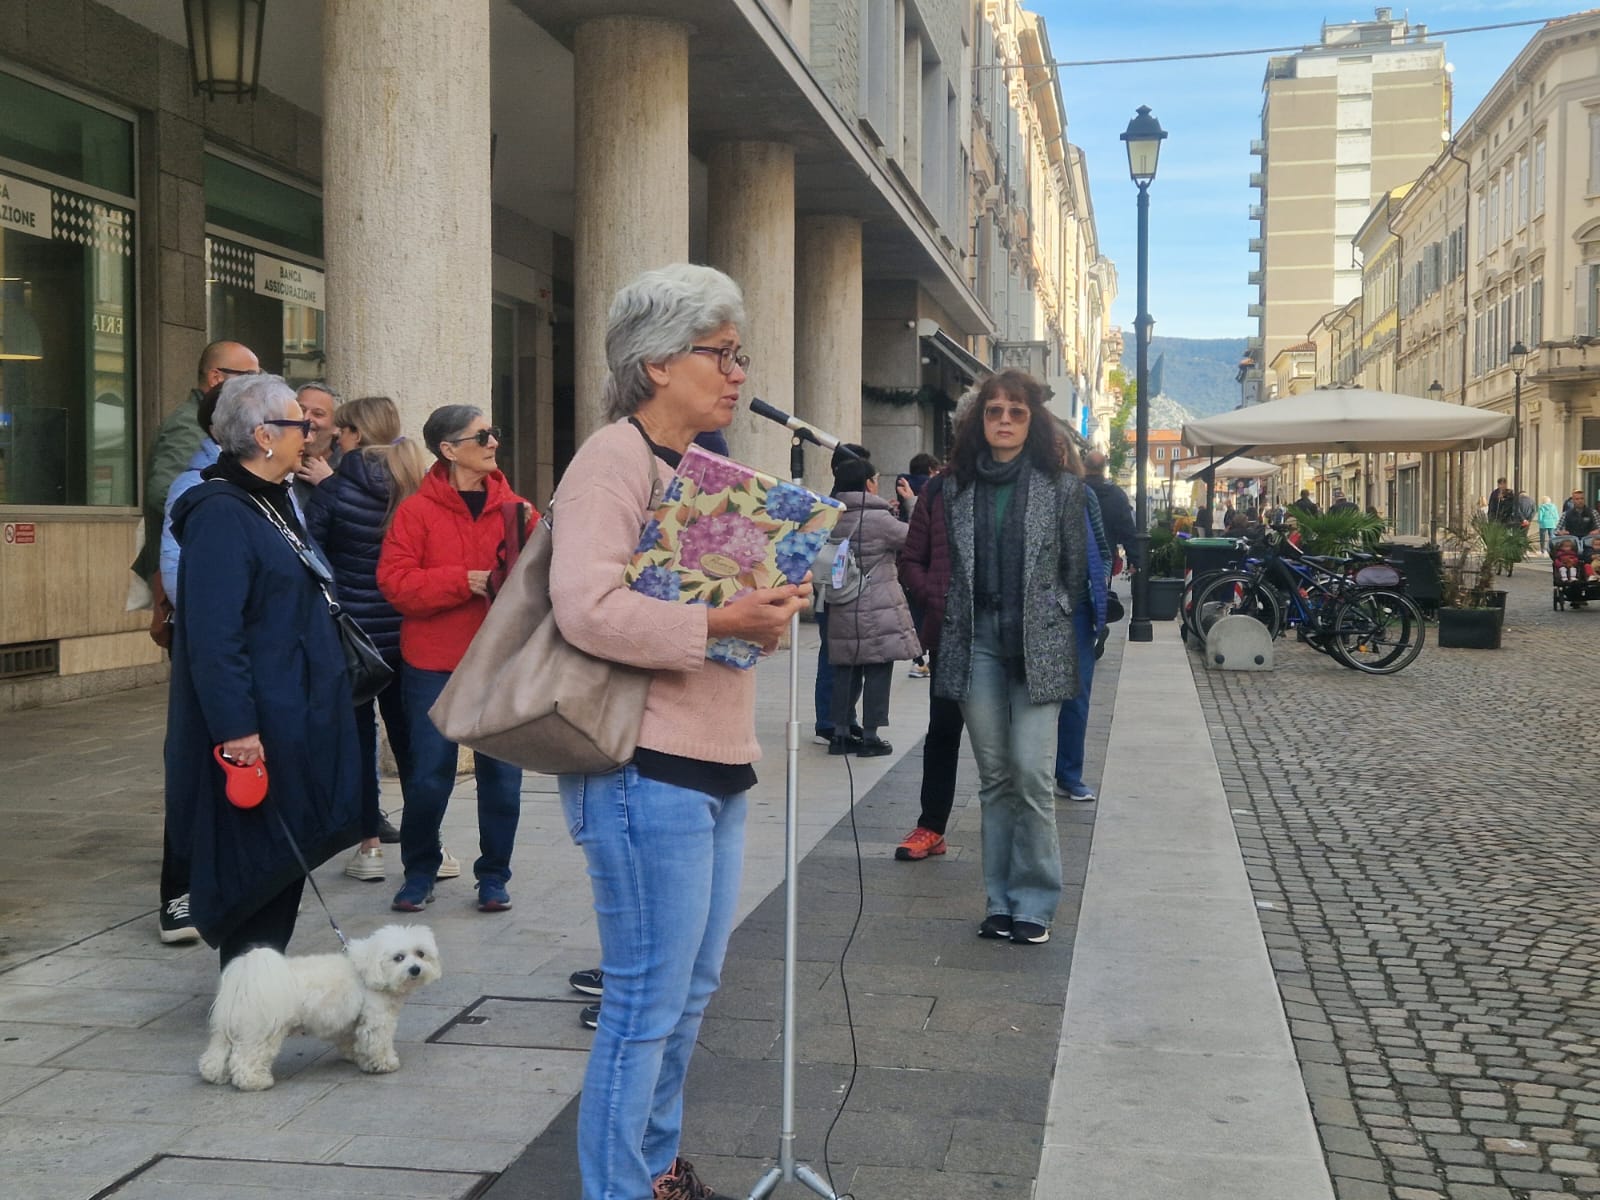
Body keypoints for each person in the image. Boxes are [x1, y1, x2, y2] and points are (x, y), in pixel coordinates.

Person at [548, 264, 809, 1200]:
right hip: (639, 764)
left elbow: (715, 624)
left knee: (686, 1000)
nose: (738, 373)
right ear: (658, 362)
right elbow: (583, 608)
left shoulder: (699, 473)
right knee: (643, 1008)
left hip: (714, 757)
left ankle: (654, 1173)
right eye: (722, 353)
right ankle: (620, 1190)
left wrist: (762, 614)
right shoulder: (612, 459)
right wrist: (721, 624)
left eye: (740, 355)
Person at [162, 375, 361, 965]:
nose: (314, 432)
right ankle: (247, 1005)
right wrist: (237, 732)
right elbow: (214, 639)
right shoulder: (221, 513)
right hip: (258, 725)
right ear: (263, 436)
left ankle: (255, 994)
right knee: (258, 865)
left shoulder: (273, 497)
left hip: (294, 709)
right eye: (302, 424)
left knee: (285, 856)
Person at [934, 369, 1088, 947]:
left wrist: (1049, 615)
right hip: (975, 642)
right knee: (995, 777)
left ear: (1032, 420)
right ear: (979, 420)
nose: (1003, 420)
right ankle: (999, 900)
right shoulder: (956, 488)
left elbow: (1074, 571)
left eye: (1015, 412)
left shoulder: (1064, 489)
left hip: (1036, 643)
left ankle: (1037, 901)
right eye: (994, 411)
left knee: (1031, 773)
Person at [377, 405, 531, 914]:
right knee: (427, 777)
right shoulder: (416, 511)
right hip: (432, 664)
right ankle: (419, 872)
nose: (493, 443)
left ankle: (496, 877)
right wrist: (463, 580)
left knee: (503, 780)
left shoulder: (519, 511)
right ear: (448, 449)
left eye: (495, 432)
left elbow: (544, 582)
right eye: (482, 435)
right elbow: (395, 584)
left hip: (500, 663)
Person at [306, 396, 429, 881]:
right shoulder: (415, 485)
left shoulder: (334, 490)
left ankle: (370, 849)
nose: (336, 439)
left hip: (353, 638)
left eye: (341, 432)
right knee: (412, 740)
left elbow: (311, 556)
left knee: (358, 739)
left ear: (354, 434)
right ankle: (429, 843)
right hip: (405, 632)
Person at [132, 341, 261, 645]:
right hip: (191, 571)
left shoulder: (210, 423)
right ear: (217, 378)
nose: (259, 387)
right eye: (251, 377)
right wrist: (218, 515)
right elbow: (161, 491)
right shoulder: (190, 426)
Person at [823, 453, 921, 757]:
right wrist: (911, 504)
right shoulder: (880, 519)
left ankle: (839, 734)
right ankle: (869, 736)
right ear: (868, 484)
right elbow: (916, 539)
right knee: (878, 667)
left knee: (845, 670)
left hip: (841, 602)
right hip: (877, 604)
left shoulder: (831, 516)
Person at [895, 457, 964, 862]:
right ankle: (931, 826)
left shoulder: (1032, 484)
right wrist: (935, 598)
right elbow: (911, 558)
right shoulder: (937, 491)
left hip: (1008, 638)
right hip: (951, 633)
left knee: (1013, 746)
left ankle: (1013, 833)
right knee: (943, 731)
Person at [1053, 436, 1111, 805]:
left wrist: (1096, 585)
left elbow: (1103, 550)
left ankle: (1069, 774)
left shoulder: (1082, 494)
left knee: (1076, 696)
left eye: (1059, 452)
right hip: (1031, 611)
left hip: (1075, 609)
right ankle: (1029, 774)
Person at [812, 442, 868, 746]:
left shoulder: (830, 505)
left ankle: (841, 718)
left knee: (838, 656)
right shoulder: (836, 508)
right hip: (836, 592)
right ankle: (832, 720)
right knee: (835, 657)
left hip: (831, 591)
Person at [290, 381, 341, 508]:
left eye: (318, 414)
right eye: (300, 410)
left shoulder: (350, 466)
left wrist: (328, 484)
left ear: (337, 427)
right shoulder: (273, 457)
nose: (306, 418)